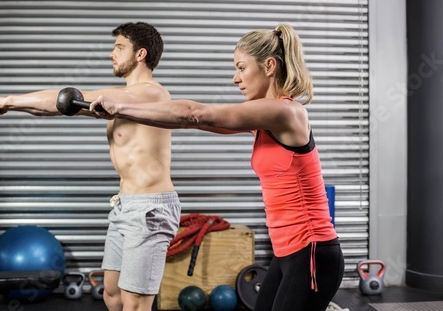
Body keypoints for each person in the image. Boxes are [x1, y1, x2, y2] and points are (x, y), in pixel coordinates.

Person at [89, 23, 345, 311]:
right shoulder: (263, 122)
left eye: (241, 68)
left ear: (270, 66)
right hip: (286, 253)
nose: (235, 79)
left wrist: (121, 107)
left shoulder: (285, 112)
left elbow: (195, 114)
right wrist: (124, 111)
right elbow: (193, 121)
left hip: (311, 252)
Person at [0, 22, 181, 311]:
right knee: (112, 294)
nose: (112, 53)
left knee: (135, 304)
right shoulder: (121, 101)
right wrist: (11, 108)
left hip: (150, 209)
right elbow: (61, 106)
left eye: (119, 47)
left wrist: (9, 99)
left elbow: (68, 96)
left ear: (140, 54)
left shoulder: (150, 95)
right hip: (126, 205)